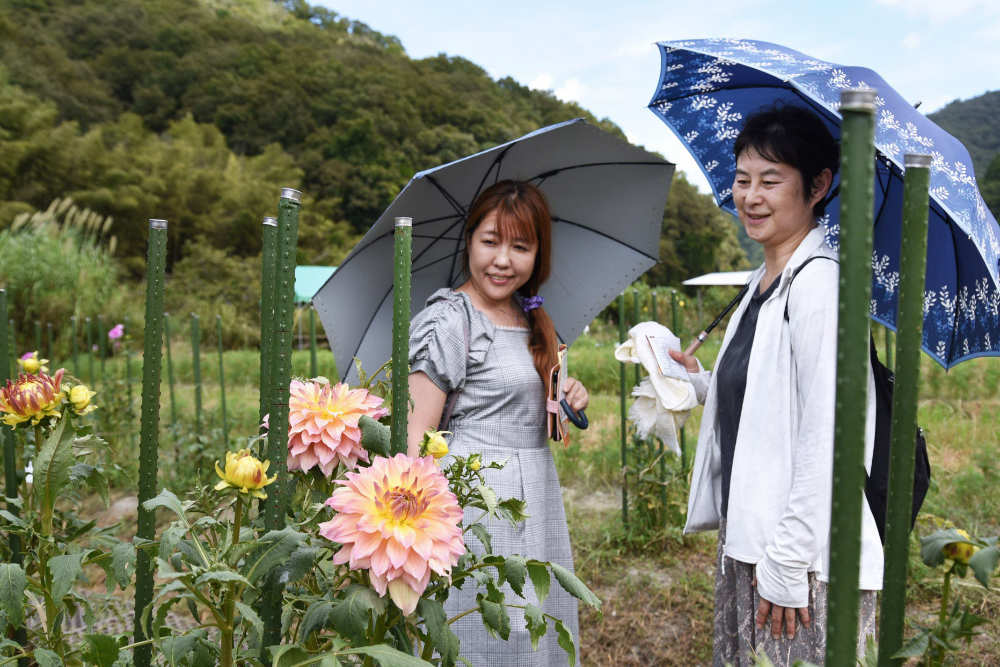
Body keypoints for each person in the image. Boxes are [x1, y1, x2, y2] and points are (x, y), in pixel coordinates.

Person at [669, 106, 882, 666]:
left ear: (818, 186)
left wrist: (788, 562)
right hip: (754, 535)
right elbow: (768, 399)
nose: (750, 197)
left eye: (770, 181)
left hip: (801, 556)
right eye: (742, 180)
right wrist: (698, 383)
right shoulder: (763, 281)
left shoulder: (820, 285)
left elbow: (830, 431)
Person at [407, 179, 589, 666]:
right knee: (477, 627)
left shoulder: (531, 318)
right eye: (490, 241)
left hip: (535, 495)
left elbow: (531, 401)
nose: (502, 260)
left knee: (530, 626)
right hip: (473, 501)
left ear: (538, 255)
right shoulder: (450, 320)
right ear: (469, 241)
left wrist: (566, 392)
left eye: (520, 247)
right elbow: (414, 441)